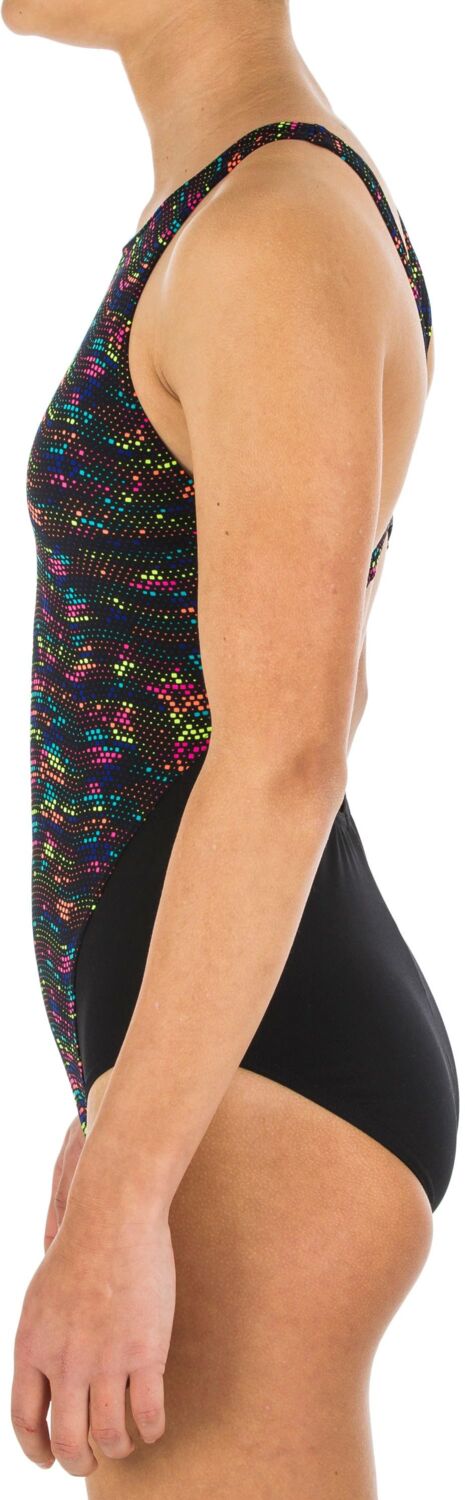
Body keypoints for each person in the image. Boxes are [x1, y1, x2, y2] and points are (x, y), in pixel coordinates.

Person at [4, 1, 459, 1495]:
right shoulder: (232, 206)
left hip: (274, 1089)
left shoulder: (274, 228)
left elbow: (289, 749)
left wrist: (132, 1178)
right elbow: (331, 687)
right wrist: (135, 1100)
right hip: (226, 1066)